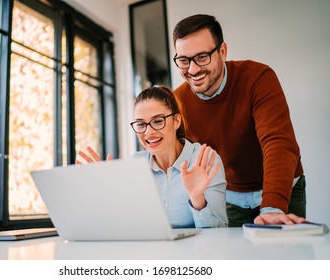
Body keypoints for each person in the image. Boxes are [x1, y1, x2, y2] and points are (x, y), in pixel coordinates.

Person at [172, 14, 307, 227]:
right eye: (183, 60)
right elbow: (172, 157)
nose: (193, 69)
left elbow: (277, 141)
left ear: (222, 52)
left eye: (202, 57)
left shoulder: (258, 77)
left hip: (282, 189)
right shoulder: (178, 102)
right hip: (231, 196)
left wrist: (272, 207)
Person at [77, 86, 228, 228]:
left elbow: (220, 231)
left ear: (176, 121)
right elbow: (124, 226)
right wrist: (106, 193)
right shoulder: (134, 165)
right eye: (141, 124)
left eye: (157, 121)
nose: (148, 133)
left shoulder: (204, 160)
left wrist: (197, 199)